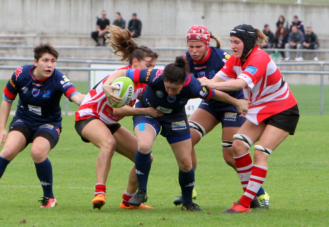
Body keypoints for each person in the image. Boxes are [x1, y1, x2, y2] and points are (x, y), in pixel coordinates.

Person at [103, 57, 249, 212]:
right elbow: (125, 72)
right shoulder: (154, 75)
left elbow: (215, 94)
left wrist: (237, 102)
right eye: (167, 87)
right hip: (148, 112)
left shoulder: (193, 85)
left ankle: (187, 202)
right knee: (144, 145)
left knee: (186, 162)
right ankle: (141, 192)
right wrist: (107, 84)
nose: (170, 92)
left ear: (183, 83)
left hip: (175, 117)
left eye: (175, 89)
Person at [0, 43, 85, 208]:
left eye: (53, 61)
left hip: (49, 123)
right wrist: (1, 128)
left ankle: (49, 197)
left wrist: (90, 99)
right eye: (46, 60)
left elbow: (75, 96)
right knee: (8, 150)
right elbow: (7, 100)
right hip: (24, 120)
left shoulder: (58, 78)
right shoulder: (20, 74)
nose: (50, 65)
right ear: (35, 61)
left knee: (38, 151)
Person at [199, 24, 299, 213]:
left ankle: (245, 202)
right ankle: (249, 198)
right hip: (261, 109)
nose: (233, 46)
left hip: (284, 110)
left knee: (260, 152)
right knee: (237, 145)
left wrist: (209, 83)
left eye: (237, 42)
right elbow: (217, 81)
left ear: (247, 42)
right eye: (231, 42)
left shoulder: (258, 57)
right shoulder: (236, 59)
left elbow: (241, 82)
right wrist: (197, 84)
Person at [172, 25, 269, 209]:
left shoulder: (222, 58)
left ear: (207, 44)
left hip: (233, 103)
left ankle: (260, 192)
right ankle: (189, 189)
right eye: (191, 46)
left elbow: (238, 83)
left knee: (230, 156)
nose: (193, 50)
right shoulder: (185, 60)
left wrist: (237, 102)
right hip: (211, 104)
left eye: (198, 46)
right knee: (186, 140)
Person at [75, 25, 160, 210]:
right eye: (148, 66)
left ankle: (128, 202)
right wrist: (146, 111)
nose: (151, 70)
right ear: (135, 63)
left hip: (109, 123)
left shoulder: (143, 84)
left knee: (145, 157)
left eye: (153, 67)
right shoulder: (124, 78)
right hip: (88, 116)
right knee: (109, 143)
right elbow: (117, 111)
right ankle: (99, 192)